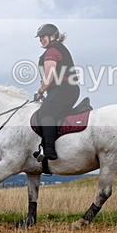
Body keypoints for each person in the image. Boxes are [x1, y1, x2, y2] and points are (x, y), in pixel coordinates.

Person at [33, 23, 80, 160]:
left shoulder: (52, 51)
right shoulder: (58, 49)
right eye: (39, 37)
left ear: (53, 36)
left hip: (63, 89)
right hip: (68, 89)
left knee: (45, 112)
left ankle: (48, 150)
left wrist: (40, 92)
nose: (41, 39)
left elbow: (49, 77)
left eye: (43, 36)